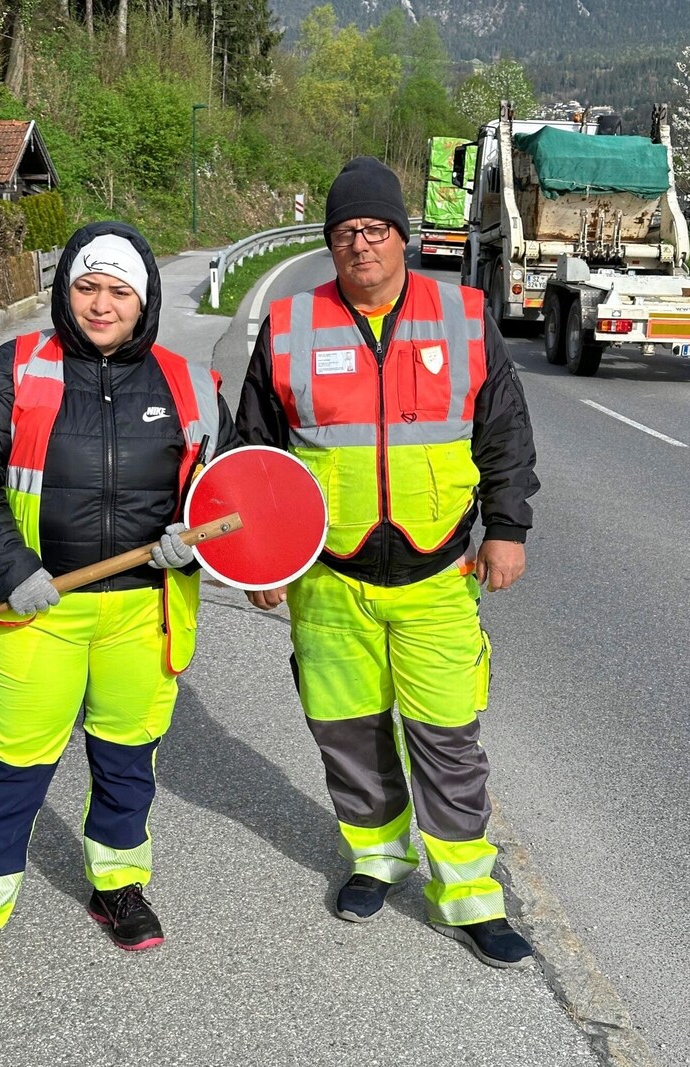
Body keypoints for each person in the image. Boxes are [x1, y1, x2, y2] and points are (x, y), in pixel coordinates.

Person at [236, 156, 540, 970]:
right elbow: (254, 455)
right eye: (344, 233)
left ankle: (470, 895)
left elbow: (504, 434)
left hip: (440, 570)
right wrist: (259, 559)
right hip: (328, 576)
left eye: (374, 229)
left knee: (447, 736)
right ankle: (379, 858)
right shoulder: (291, 327)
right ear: (331, 244)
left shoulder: (464, 316)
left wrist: (505, 527)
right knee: (348, 733)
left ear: (402, 236)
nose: (359, 244)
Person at [0, 221, 239, 991]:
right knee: (13, 761)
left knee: (127, 757)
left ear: (145, 301)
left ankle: (117, 886)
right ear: (66, 290)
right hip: (37, 607)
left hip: (144, 608)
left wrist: (192, 543)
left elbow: (230, 492)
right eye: (88, 287)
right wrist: (12, 569)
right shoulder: (14, 370)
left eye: (119, 291)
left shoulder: (186, 382)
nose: (102, 305)